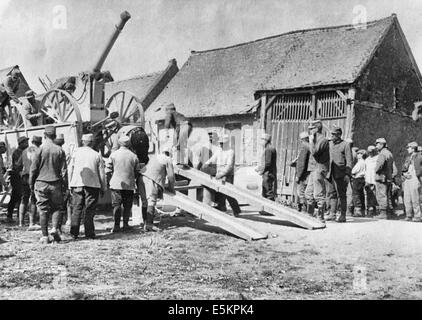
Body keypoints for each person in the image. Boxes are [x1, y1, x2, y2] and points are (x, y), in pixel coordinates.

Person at [29, 126, 67, 244]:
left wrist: (31, 184)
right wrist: (65, 185)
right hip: (55, 183)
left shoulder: (39, 150)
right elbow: (64, 171)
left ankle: (45, 236)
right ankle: (55, 228)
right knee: (57, 208)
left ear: (44, 135)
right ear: (55, 136)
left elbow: (33, 170)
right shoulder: (60, 150)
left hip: (41, 183)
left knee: (43, 210)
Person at [69, 134, 106, 239]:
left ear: (82, 141)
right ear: (92, 142)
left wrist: (70, 184)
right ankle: (89, 233)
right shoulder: (96, 155)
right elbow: (101, 173)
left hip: (77, 184)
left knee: (76, 209)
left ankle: (74, 233)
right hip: (92, 185)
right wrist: (103, 187)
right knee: (89, 210)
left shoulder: (76, 153)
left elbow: (70, 169)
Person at [106, 135, 139, 233]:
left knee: (116, 205)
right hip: (129, 184)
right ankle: (125, 224)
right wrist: (133, 178)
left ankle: (116, 226)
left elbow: (107, 170)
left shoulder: (113, 155)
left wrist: (109, 181)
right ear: (129, 144)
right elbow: (137, 171)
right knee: (127, 205)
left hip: (116, 184)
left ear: (119, 143)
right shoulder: (133, 156)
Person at [203, 134, 241, 216]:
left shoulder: (231, 152)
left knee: (229, 193)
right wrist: (207, 163)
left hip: (227, 175)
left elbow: (229, 166)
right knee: (220, 192)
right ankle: (222, 208)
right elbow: (213, 158)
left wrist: (221, 174)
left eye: (222, 143)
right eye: (220, 143)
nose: (220, 144)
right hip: (219, 174)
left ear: (227, 143)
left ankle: (236, 210)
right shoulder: (219, 150)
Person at [142, 145, 175, 232]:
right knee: (151, 201)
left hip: (141, 177)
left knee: (145, 201)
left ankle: (145, 224)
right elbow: (171, 176)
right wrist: (172, 188)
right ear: (169, 153)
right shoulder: (168, 159)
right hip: (151, 179)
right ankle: (149, 225)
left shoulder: (155, 156)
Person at [326, 127, 353, 222]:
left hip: (341, 174)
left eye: (333, 135)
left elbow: (349, 161)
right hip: (330, 173)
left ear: (339, 135)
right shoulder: (329, 144)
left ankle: (343, 215)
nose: (332, 136)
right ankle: (332, 213)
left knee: (341, 194)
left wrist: (347, 174)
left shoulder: (345, 145)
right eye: (331, 134)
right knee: (332, 194)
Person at [305, 120, 330, 222]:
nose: (309, 131)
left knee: (318, 194)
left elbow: (315, 152)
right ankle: (310, 215)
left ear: (316, 129)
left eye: (311, 128)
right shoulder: (316, 139)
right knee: (308, 193)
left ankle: (320, 217)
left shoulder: (322, 140)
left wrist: (310, 141)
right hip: (313, 169)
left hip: (319, 169)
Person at [19, 136, 42, 230]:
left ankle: (21, 222)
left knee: (24, 199)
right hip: (34, 176)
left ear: (32, 141)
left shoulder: (24, 151)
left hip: (25, 176)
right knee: (33, 199)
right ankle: (32, 223)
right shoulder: (39, 151)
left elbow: (18, 164)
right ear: (39, 143)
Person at [6, 136, 29, 223]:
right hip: (16, 177)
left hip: (21, 176)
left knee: (19, 196)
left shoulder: (24, 152)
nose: (27, 144)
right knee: (16, 196)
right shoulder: (17, 152)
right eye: (25, 143)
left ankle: (20, 216)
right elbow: (17, 166)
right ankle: (10, 215)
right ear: (21, 143)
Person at [374, 138, 394, 219]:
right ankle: (388, 212)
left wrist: (375, 170)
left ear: (382, 144)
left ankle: (383, 213)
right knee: (387, 195)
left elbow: (379, 165)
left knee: (381, 195)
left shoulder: (382, 154)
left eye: (377, 144)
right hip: (388, 177)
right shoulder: (389, 153)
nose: (376, 146)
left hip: (381, 177)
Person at [401, 142, 422, 222]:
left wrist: (418, 174)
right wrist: (404, 174)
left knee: (415, 198)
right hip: (407, 179)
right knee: (407, 197)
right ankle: (408, 215)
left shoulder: (419, 157)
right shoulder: (408, 157)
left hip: (415, 178)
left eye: (409, 147)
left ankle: (417, 215)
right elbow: (404, 168)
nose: (407, 149)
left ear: (413, 148)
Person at [291, 132, 310, 212]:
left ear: (302, 139)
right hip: (307, 173)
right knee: (305, 192)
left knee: (301, 192)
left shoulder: (304, 147)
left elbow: (302, 162)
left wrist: (298, 175)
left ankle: (304, 210)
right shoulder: (309, 146)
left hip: (303, 174)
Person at [255, 133, 277, 201]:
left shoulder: (268, 149)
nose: (261, 142)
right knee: (266, 191)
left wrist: (260, 170)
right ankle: (265, 210)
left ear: (265, 140)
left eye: (262, 140)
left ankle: (270, 210)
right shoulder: (271, 148)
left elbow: (267, 163)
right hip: (270, 173)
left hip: (268, 174)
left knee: (268, 193)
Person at [351, 149, 368, 217]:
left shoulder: (360, 162)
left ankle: (358, 210)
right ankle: (362, 210)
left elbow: (353, 171)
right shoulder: (364, 162)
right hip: (362, 179)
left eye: (359, 153)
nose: (357, 155)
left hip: (357, 178)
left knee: (356, 194)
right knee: (361, 194)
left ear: (362, 155)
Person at [364, 145, 379, 217]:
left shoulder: (377, 158)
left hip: (375, 179)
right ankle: (370, 210)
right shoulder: (367, 160)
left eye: (372, 152)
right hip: (368, 179)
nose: (371, 153)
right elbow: (365, 170)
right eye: (369, 152)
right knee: (369, 195)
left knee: (376, 195)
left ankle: (376, 209)